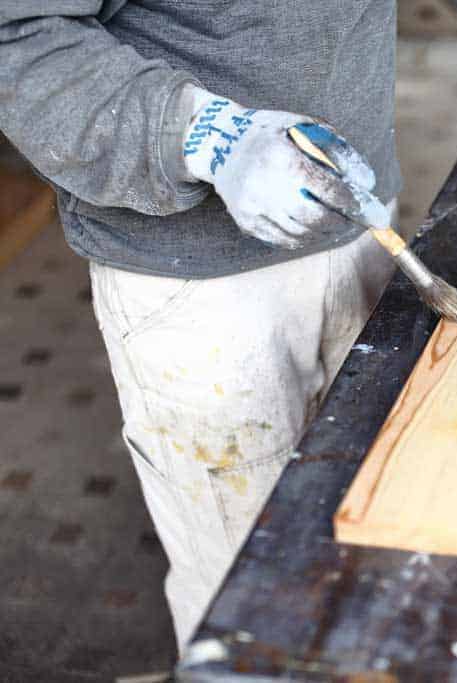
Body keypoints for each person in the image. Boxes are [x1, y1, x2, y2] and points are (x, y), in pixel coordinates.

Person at [0, 2, 400, 649]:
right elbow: (17, 35)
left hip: (359, 214)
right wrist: (212, 134)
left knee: (363, 553)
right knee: (249, 608)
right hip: (201, 289)